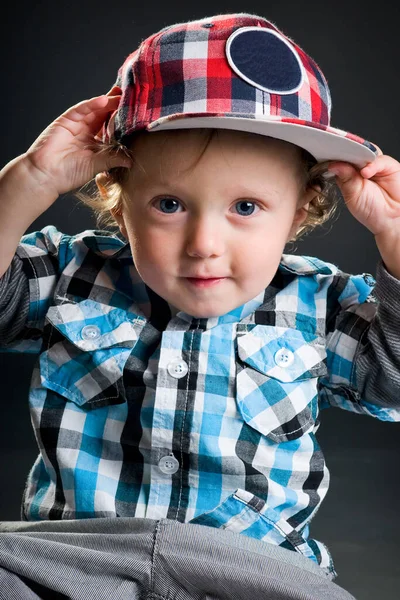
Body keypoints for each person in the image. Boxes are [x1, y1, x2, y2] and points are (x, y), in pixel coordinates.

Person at [0, 11, 399, 600]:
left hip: (251, 569)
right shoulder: (72, 276)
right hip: (78, 557)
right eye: (168, 204)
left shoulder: (321, 306)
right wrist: (28, 180)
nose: (204, 245)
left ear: (300, 211)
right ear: (119, 200)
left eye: (245, 207)